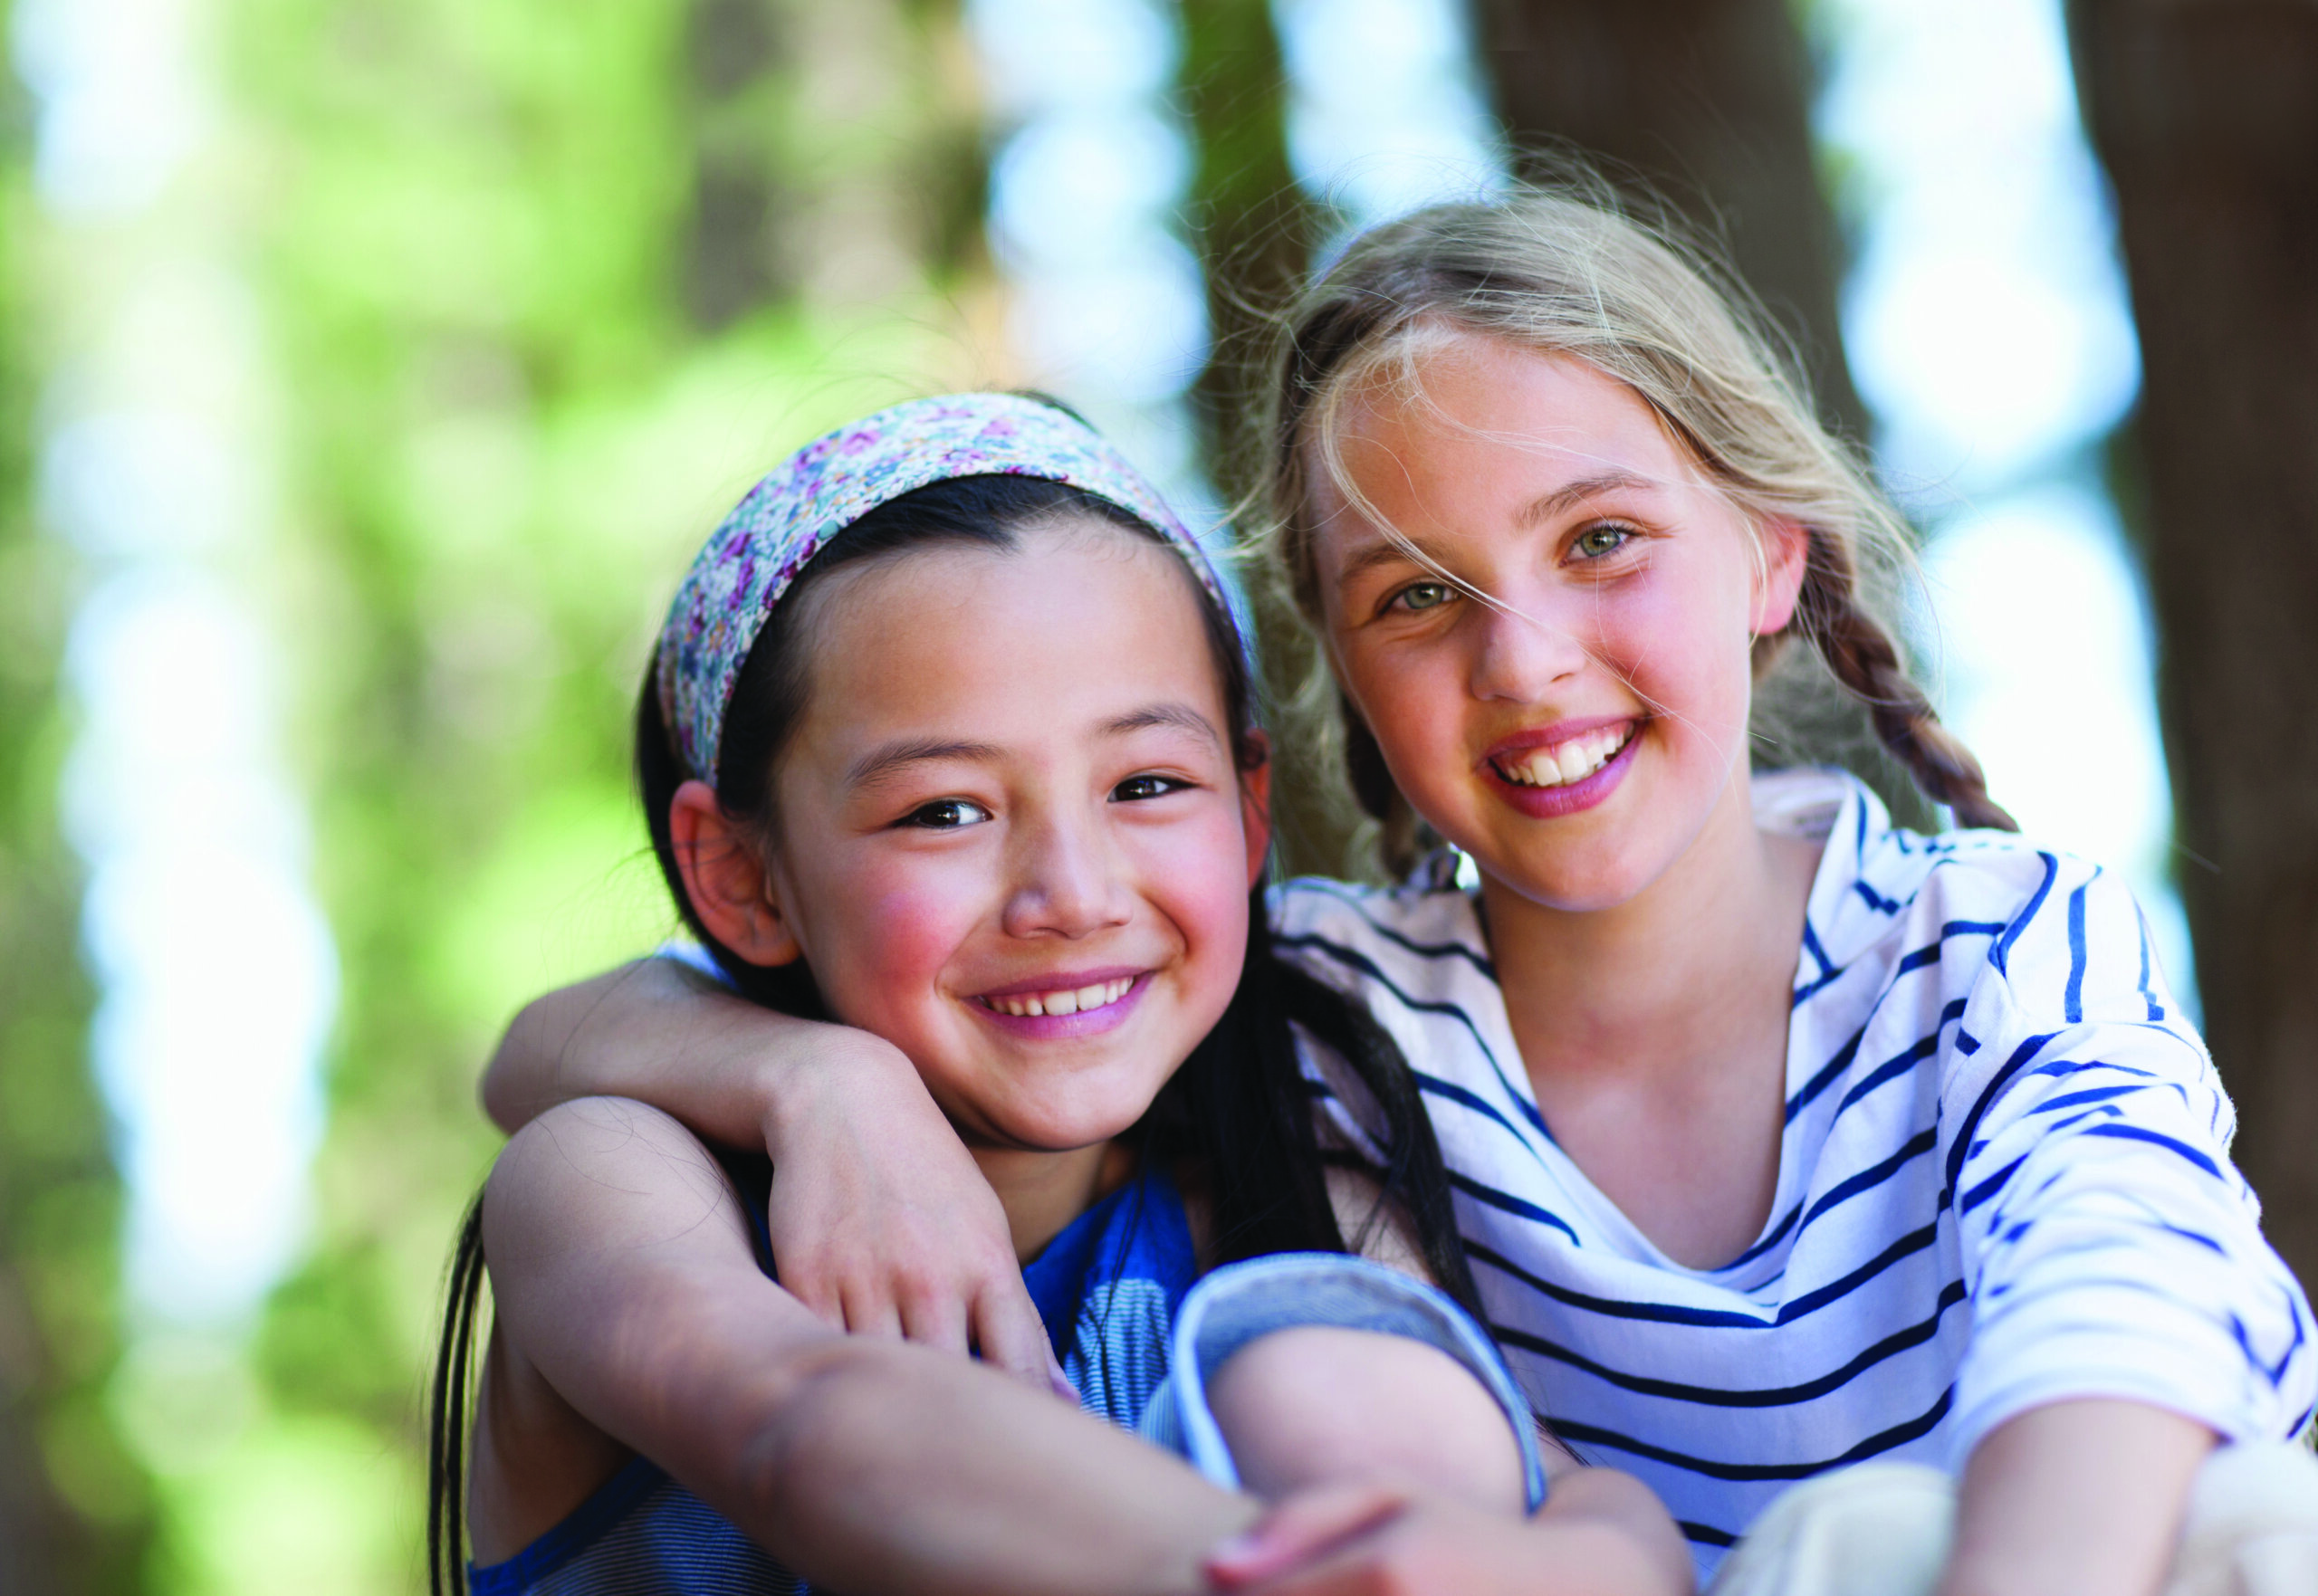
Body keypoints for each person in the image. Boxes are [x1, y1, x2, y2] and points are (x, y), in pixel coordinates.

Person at [484, 189, 2318, 1594]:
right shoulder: (1328, 1026)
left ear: (1769, 550)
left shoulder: (1976, 945)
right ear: (1336, 674)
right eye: (1414, 595)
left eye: (1599, 539)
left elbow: (2115, 1313)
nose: (1523, 665)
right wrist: (815, 1081)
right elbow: (577, 1089)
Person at [437, 391, 1691, 1596]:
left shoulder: (1273, 1198)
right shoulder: (614, 1179)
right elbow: (802, 1431)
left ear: (1251, 812)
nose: (1073, 893)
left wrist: (1596, 1563)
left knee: (1333, 1377)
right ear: (742, 872)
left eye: (1145, 783)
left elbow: (1577, 1494)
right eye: (945, 810)